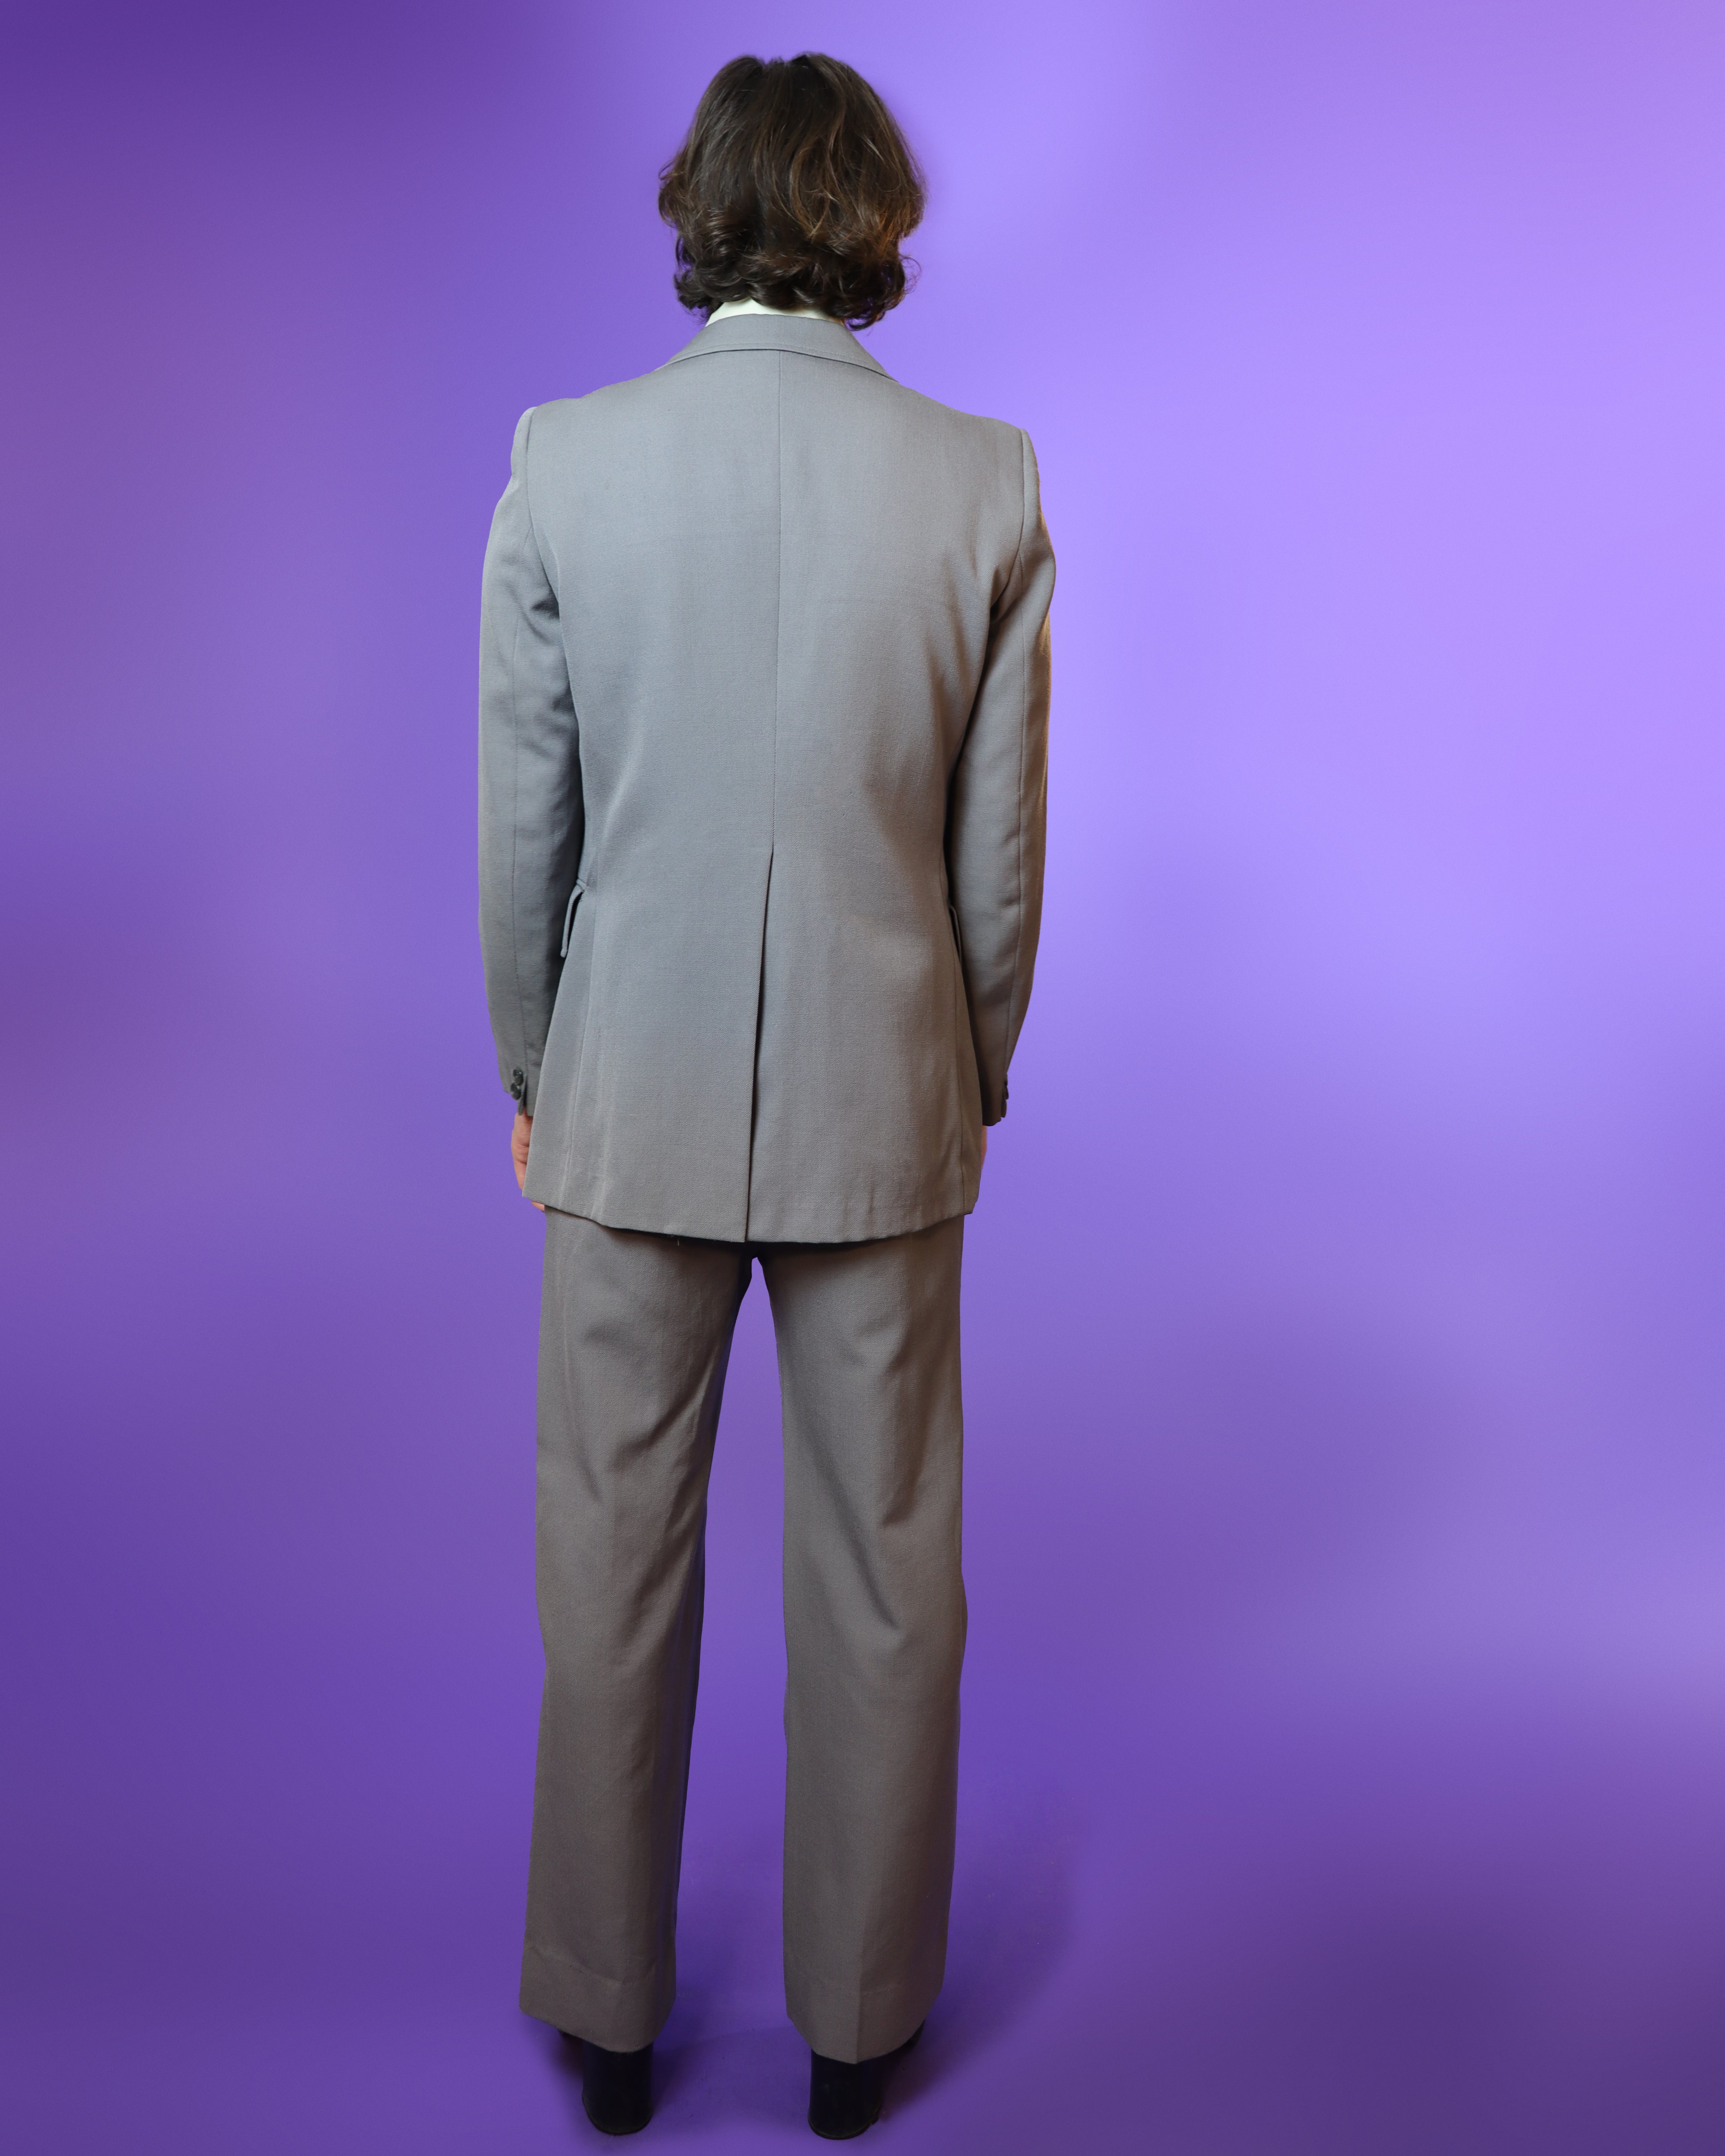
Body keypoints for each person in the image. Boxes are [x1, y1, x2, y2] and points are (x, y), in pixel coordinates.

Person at [478, 52, 1053, 2139]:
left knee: (611, 1563)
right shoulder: (984, 482)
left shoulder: (568, 460)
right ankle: (854, 2033)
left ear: (699, 207)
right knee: (885, 1575)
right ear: (877, 221)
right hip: (880, 1100)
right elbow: (999, 860)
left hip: (625, 1091)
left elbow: (522, 825)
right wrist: (965, 1074)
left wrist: (537, 1067)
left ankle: (612, 2022)